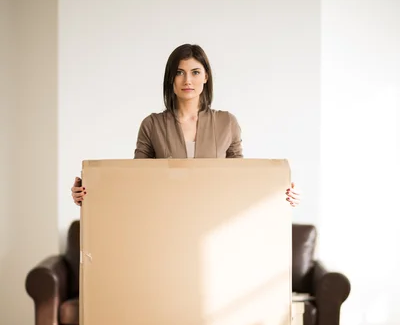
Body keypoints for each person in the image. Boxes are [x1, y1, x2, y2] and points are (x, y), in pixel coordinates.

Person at [71, 43, 300, 207]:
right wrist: (88, 194)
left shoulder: (227, 122)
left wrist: (282, 193)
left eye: (195, 72)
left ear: (206, 77)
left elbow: (239, 180)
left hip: (214, 219)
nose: (187, 80)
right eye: (179, 72)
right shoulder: (152, 125)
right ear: (171, 79)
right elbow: (136, 182)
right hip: (166, 221)